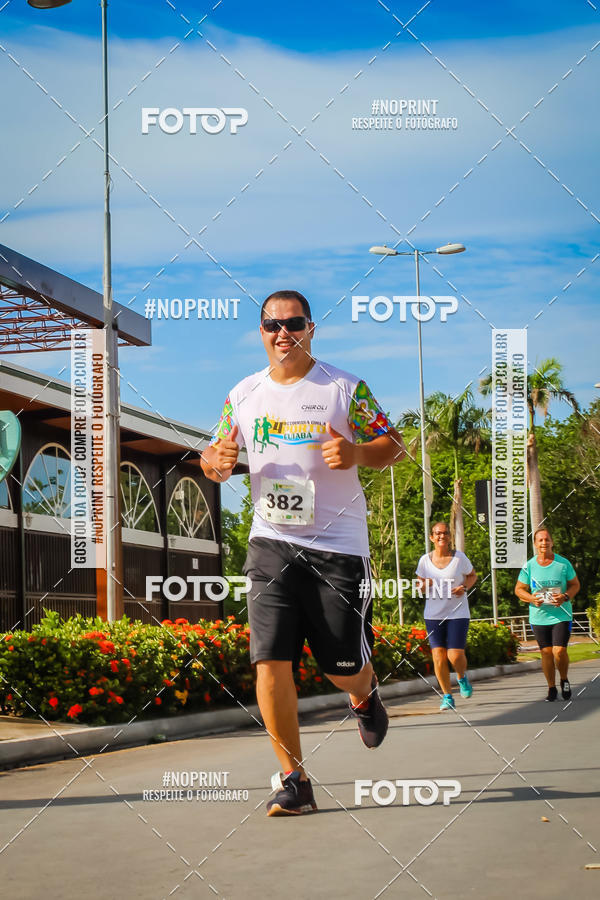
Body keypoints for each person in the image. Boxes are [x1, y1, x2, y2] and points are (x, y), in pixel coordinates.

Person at [200, 290, 406, 816]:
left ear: (311, 328)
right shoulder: (242, 394)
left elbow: (395, 445)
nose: (282, 333)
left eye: (293, 323)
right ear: (260, 331)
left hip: (338, 547)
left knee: (339, 664)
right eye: (272, 324)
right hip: (271, 541)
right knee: (269, 659)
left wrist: (358, 451)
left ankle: (362, 693)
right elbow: (218, 458)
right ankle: (294, 779)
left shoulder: (344, 388)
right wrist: (215, 461)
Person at [415, 523, 478, 710]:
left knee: (455, 655)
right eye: (438, 533)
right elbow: (420, 585)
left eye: (445, 533)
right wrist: (424, 586)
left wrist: (464, 587)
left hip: (458, 613)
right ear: (431, 537)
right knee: (438, 657)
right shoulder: (424, 561)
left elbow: (472, 575)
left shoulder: (460, 558)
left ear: (449, 537)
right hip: (433, 615)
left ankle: (461, 677)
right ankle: (447, 696)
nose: (441, 536)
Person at [515, 528, 580, 701]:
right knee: (546, 652)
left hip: (561, 614)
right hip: (539, 616)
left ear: (552, 542)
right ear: (535, 544)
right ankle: (551, 687)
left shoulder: (563, 563)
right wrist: (531, 599)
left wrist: (565, 596)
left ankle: (564, 679)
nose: (544, 543)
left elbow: (575, 585)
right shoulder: (529, 566)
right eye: (540, 540)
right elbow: (519, 589)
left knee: (559, 651)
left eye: (547, 540)